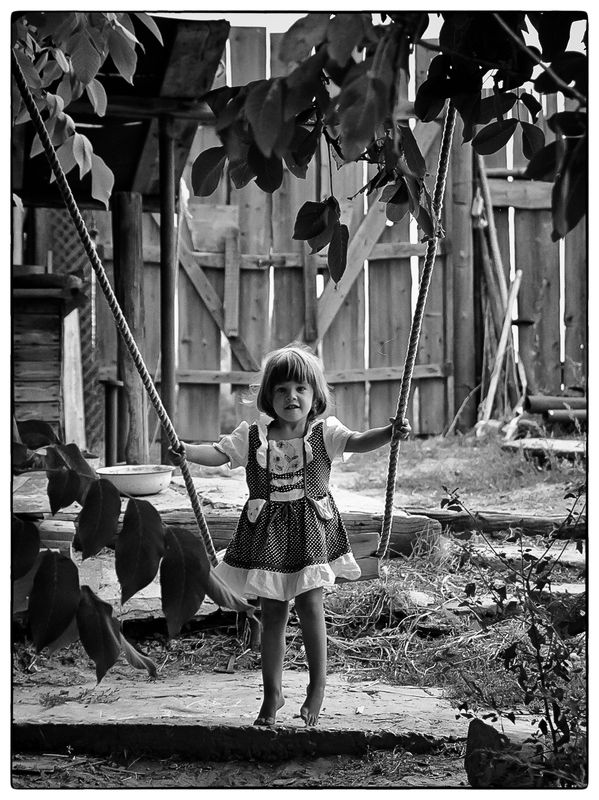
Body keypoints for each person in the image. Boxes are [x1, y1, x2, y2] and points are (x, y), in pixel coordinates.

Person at [169, 343, 410, 728]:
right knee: (273, 613)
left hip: (311, 533)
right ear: (268, 397)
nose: (291, 396)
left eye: (300, 388)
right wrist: (185, 451)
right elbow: (217, 453)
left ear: (315, 395)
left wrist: (389, 431)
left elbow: (360, 441)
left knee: (310, 607)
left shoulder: (324, 433)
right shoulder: (252, 436)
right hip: (267, 537)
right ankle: (273, 693)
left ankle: (317, 688)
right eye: (281, 390)